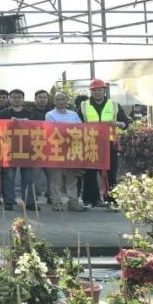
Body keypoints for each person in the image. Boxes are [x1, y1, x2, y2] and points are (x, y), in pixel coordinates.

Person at [79, 79, 128, 210]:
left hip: (110, 144)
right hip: (90, 143)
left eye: (99, 89)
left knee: (111, 173)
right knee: (89, 173)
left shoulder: (114, 105)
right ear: (91, 91)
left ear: (104, 90)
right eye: (94, 90)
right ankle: (89, 200)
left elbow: (125, 124)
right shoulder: (84, 106)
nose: (97, 92)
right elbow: (77, 124)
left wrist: (117, 123)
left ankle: (112, 201)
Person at [46, 91, 85, 212]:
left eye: (63, 99)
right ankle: (56, 202)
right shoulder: (49, 114)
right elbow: (52, 130)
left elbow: (81, 128)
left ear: (66, 100)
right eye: (58, 99)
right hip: (56, 149)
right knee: (56, 178)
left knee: (72, 177)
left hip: (72, 148)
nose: (61, 101)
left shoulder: (73, 114)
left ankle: (73, 202)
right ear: (54, 101)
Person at [0, 88, 36, 211]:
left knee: (28, 178)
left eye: (19, 97)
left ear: (23, 99)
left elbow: (37, 130)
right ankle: (9, 201)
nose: (16, 99)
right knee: (9, 177)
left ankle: (29, 202)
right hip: (10, 149)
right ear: (10, 99)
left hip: (27, 149)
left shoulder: (30, 113)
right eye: (14, 97)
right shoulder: (4, 113)